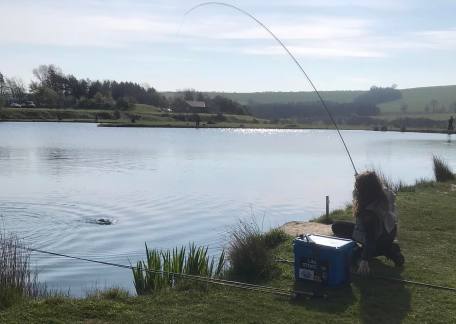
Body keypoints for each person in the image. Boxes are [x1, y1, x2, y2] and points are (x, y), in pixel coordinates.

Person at [332, 171, 404, 275]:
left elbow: (370, 239)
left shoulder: (368, 214)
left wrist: (364, 260)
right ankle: (389, 249)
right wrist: (359, 179)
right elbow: (357, 192)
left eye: (358, 186)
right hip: (388, 235)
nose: (356, 188)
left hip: (375, 241)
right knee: (337, 226)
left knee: (351, 255)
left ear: (364, 190)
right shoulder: (386, 194)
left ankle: (377, 252)